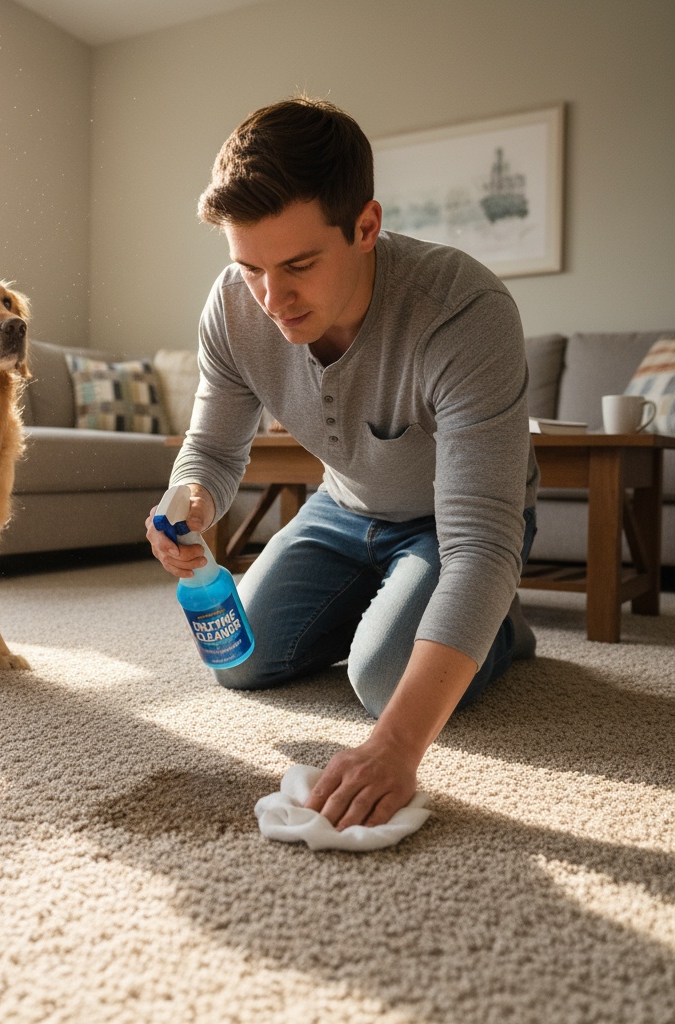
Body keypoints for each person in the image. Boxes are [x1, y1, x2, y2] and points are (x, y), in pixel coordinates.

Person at [145, 96, 539, 832]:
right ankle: (405, 608)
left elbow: (480, 545)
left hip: (451, 526)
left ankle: (499, 628)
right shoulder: (234, 307)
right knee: (240, 658)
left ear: (366, 227)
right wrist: (191, 496)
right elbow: (213, 449)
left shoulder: (464, 311)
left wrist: (394, 747)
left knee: (383, 678)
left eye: (298, 264)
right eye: (249, 267)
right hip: (344, 508)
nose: (272, 299)